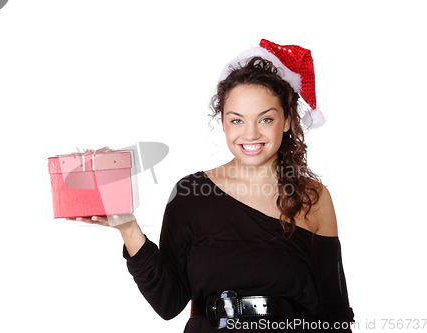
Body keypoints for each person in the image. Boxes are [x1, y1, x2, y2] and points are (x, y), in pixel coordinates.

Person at [67, 39, 355, 332]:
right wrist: (128, 227)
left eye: (265, 119)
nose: (251, 133)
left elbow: (335, 311)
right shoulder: (190, 194)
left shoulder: (313, 198)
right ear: (224, 123)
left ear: (287, 121)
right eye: (237, 120)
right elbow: (169, 302)